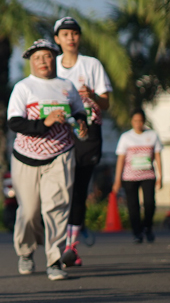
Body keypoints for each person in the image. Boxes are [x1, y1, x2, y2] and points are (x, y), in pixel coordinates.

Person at [7, 38, 87, 281]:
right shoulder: (23, 87)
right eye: (37, 57)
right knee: (29, 211)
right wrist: (46, 122)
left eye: (48, 56)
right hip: (26, 157)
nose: (43, 61)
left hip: (60, 155)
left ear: (55, 59)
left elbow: (79, 112)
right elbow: (14, 123)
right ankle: (26, 251)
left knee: (56, 208)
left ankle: (54, 260)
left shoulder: (67, 86)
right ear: (30, 62)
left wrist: (81, 124)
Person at [53, 17, 112, 266]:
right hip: (58, 134)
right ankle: (57, 240)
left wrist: (93, 96)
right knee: (59, 190)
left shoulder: (92, 65)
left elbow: (106, 103)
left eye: (74, 33)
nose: (70, 38)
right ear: (57, 39)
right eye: (65, 34)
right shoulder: (50, 65)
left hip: (88, 134)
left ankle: (70, 247)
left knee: (78, 189)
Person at [112, 109, 164, 243]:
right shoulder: (126, 137)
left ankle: (147, 226)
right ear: (131, 122)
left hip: (148, 175)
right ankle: (137, 233)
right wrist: (117, 180)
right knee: (133, 206)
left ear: (144, 121)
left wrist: (160, 176)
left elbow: (158, 156)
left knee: (149, 203)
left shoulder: (152, 135)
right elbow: (121, 159)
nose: (138, 124)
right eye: (135, 121)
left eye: (140, 121)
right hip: (130, 177)